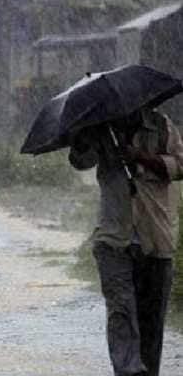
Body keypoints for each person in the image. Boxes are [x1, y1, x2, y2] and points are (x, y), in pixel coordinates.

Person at [69, 109, 183, 376]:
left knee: (151, 319)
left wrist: (141, 157)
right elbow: (80, 161)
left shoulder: (161, 125)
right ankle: (129, 370)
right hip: (113, 237)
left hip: (156, 235)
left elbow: (180, 165)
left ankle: (146, 370)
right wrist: (82, 139)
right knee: (120, 310)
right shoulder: (100, 127)